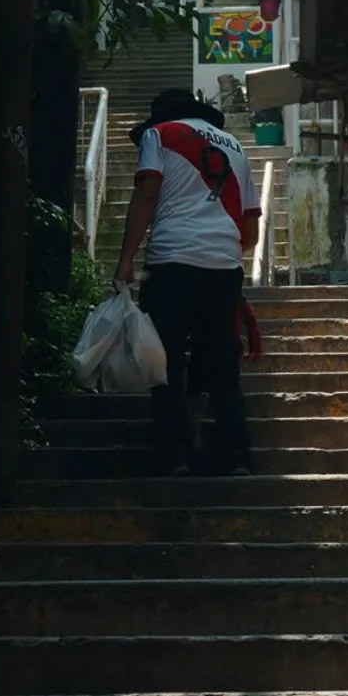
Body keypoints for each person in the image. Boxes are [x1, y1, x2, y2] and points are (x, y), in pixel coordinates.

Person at [114, 89, 261, 476]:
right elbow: (251, 230)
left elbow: (147, 195)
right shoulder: (237, 148)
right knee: (223, 365)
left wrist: (126, 258)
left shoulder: (158, 134)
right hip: (224, 268)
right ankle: (238, 456)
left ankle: (174, 456)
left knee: (167, 362)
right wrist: (221, 256)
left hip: (172, 262)